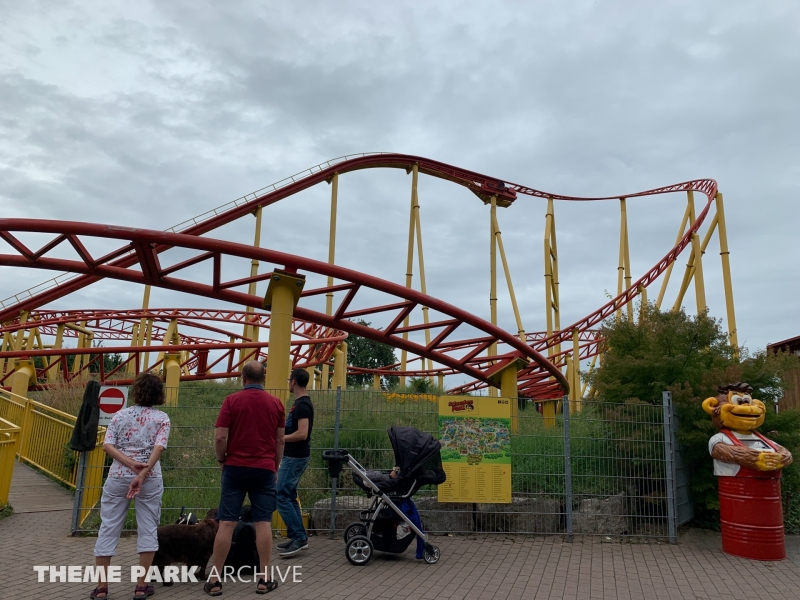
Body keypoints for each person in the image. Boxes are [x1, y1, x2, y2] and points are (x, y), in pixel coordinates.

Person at [205, 360, 285, 596]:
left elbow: (220, 437)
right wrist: (274, 466)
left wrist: (222, 460)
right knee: (263, 522)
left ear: (243, 378)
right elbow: (280, 440)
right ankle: (264, 579)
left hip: (235, 468)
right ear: (263, 379)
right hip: (264, 468)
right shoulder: (276, 403)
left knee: (227, 523)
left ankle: (215, 580)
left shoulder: (231, 401)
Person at [89, 372, 171, 600]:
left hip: (118, 476)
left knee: (109, 526)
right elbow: (159, 447)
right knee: (148, 528)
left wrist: (129, 463)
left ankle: (102, 588)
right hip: (150, 478)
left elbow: (107, 445)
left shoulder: (119, 415)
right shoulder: (162, 418)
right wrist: (142, 472)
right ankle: (141, 586)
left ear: (136, 391)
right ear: (159, 394)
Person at [276, 368, 314, 557]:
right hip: (294, 456)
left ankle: (298, 537)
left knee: (281, 494)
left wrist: (281, 438)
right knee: (289, 495)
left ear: (293, 382)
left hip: (295, 457)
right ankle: (298, 536)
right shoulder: (300, 404)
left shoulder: (302, 405)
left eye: (289, 380)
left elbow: (302, 433)